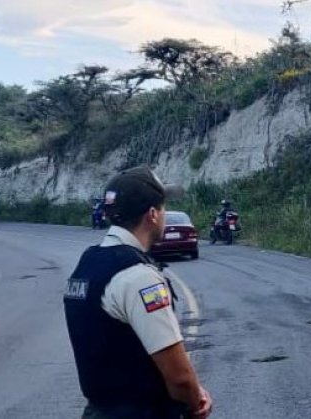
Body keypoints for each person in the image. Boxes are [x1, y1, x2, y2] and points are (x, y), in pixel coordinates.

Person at [64, 166, 212, 419]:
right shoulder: (139, 277)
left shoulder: (88, 263)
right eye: (164, 208)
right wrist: (196, 398)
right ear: (153, 214)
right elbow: (179, 378)